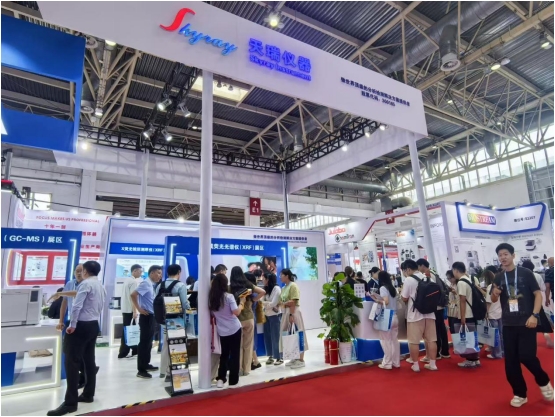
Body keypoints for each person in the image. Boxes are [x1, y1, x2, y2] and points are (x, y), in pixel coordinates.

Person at [490, 243, 553, 408]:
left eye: (505, 254)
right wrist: (495, 294)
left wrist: (535, 315)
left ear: (513, 255)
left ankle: (544, 381)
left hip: (527, 322)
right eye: (500, 255)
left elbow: (537, 295)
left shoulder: (526, 273)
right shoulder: (498, 277)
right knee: (511, 362)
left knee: (526, 356)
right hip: (508, 323)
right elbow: (493, 299)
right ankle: (520, 394)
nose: (503, 257)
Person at [47, 261, 106, 416]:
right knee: (89, 361)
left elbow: (77, 306)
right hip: (93, 325)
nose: (79, 273)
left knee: (71, 363)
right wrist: (61, 294)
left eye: (81, 270)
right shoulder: (99, 285)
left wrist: (72, 325)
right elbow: (82, 297)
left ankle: (70, 403)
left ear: (85, 271)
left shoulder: (85, 284)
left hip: (80, 326)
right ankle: (88, 394)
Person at [400, 259, 437, 372]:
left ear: (408, 269)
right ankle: (433, 364)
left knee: (414, 341)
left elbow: (404, 298)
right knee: (431, 340)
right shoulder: (428, 278)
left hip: (415, 315)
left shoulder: (409, 280)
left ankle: (415, 365)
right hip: (430, 313)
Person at [210, 273, 244, 389]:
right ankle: (233, 381)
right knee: (234, 355)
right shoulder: (228, 297)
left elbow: (212, 314)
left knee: (223, 355)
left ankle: (221, 378)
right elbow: (236, 312)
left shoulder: (211, 299)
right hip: (234, 328)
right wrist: (242, 303)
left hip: (222, 331)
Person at [229, 266, 265, 377]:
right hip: (249, 318)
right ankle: (246, 369)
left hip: (237, 320)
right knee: (248, 345)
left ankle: (238, 369)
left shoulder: (230, 288)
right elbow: (262, 291)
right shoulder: (248, 285)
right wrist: (253, 299)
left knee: (238, 346)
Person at [159, 264, 191, 381]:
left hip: (163, 319)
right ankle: (173, 373)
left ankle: (163, 370)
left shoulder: (160, 285)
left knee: (166, 344)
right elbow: (184, 303)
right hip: (176, 320)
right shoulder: (180, 285)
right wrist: (189, 306)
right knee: (177, 345)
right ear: (179, 272)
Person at [132, 265, 163, 379]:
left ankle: (146, 364)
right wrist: (139, 309)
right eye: (158, 273)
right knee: (144, 343)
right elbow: (133, 294)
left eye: (160, 273)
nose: (160, 276)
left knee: (149, 342)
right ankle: (141, 370)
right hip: (146, 316)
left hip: (151, 316)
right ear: (152, 273)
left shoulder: (151, 284)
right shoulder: (145, 283)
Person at [416, 259, 450, 360]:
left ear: (422, 266)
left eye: (418, 267)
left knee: (435, 331)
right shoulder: (434, 273)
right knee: (441, 329)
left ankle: (437, 353)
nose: (418, 269)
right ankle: (445, 351)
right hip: (440, 305)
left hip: (435, 306)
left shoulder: (428, 275)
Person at [450, 261, 481, 368]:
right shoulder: (468, 279)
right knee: (472, 337)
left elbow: (462, 300)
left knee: (467, 338)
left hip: (466, 314)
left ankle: (470, 360)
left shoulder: (461, 282)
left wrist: (462, 316)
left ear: (456, 270)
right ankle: (475, 359)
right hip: (471, 313)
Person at [279, 268, 309, 369]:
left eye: (281, 275)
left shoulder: (293, 286)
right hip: (285, 313)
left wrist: (291, 315)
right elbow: (282, 302)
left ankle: (301, 359)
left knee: (298, 333)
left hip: (293, 312)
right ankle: (294, 356)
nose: (280, 277)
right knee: (289, 335)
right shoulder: (283, 288)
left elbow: (293, 302)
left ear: (287, 276)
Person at [370, 271, 400, 370]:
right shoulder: (392, 288)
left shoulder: (383, 288)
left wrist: (377, 300)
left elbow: (385, 302)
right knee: (394, 340)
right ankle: (396, 362)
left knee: (386, 340)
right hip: (394, 316)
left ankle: (387, 363)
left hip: (387, 317)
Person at [521, 260, 553, 348]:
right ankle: (547, 338)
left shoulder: (521, 276)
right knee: (542, 320)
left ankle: (530, 343)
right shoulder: (537, 275)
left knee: (527, 323)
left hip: (525, 302)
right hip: (537, 301)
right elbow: (543, 288)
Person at [118, 264, 143, 359]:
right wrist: (135, 311)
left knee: (128, 330)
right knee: (129, 331)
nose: (141, 273)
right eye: (140, 271)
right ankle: (124, 352)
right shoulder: (133, 282)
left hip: (125, 309)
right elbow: (133, 297)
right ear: (134, 271)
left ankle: (133, 350)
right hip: (130, 310)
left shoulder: (127, 280)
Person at [262, 272, 282, 365]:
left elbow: (274, 303)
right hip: (266, 315)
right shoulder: (265, 289)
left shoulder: (277, 289)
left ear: (268, 279)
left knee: (276, 337)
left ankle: (279, 357)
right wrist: (268, 304)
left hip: (275, 315)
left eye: (264, 278)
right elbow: (261, 301)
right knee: (268, 337)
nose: (262, 280)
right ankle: (270, 356)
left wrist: (266, 304)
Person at [484, 269, 504, 359]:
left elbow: (488, 302)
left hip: (492, 313)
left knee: (494, 335)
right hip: (500, 312)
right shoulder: (501, 287)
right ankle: (502, 351)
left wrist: (486, 313)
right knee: (501, 334)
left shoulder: (491, 287)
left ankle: (496, 353)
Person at [245, 272, 262, 370]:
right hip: (253, 316)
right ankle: (254, 360)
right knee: (252, 338)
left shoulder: (250, 292)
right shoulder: (254, 291)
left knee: (250, 339)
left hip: (249, 317)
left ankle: (255, 360)